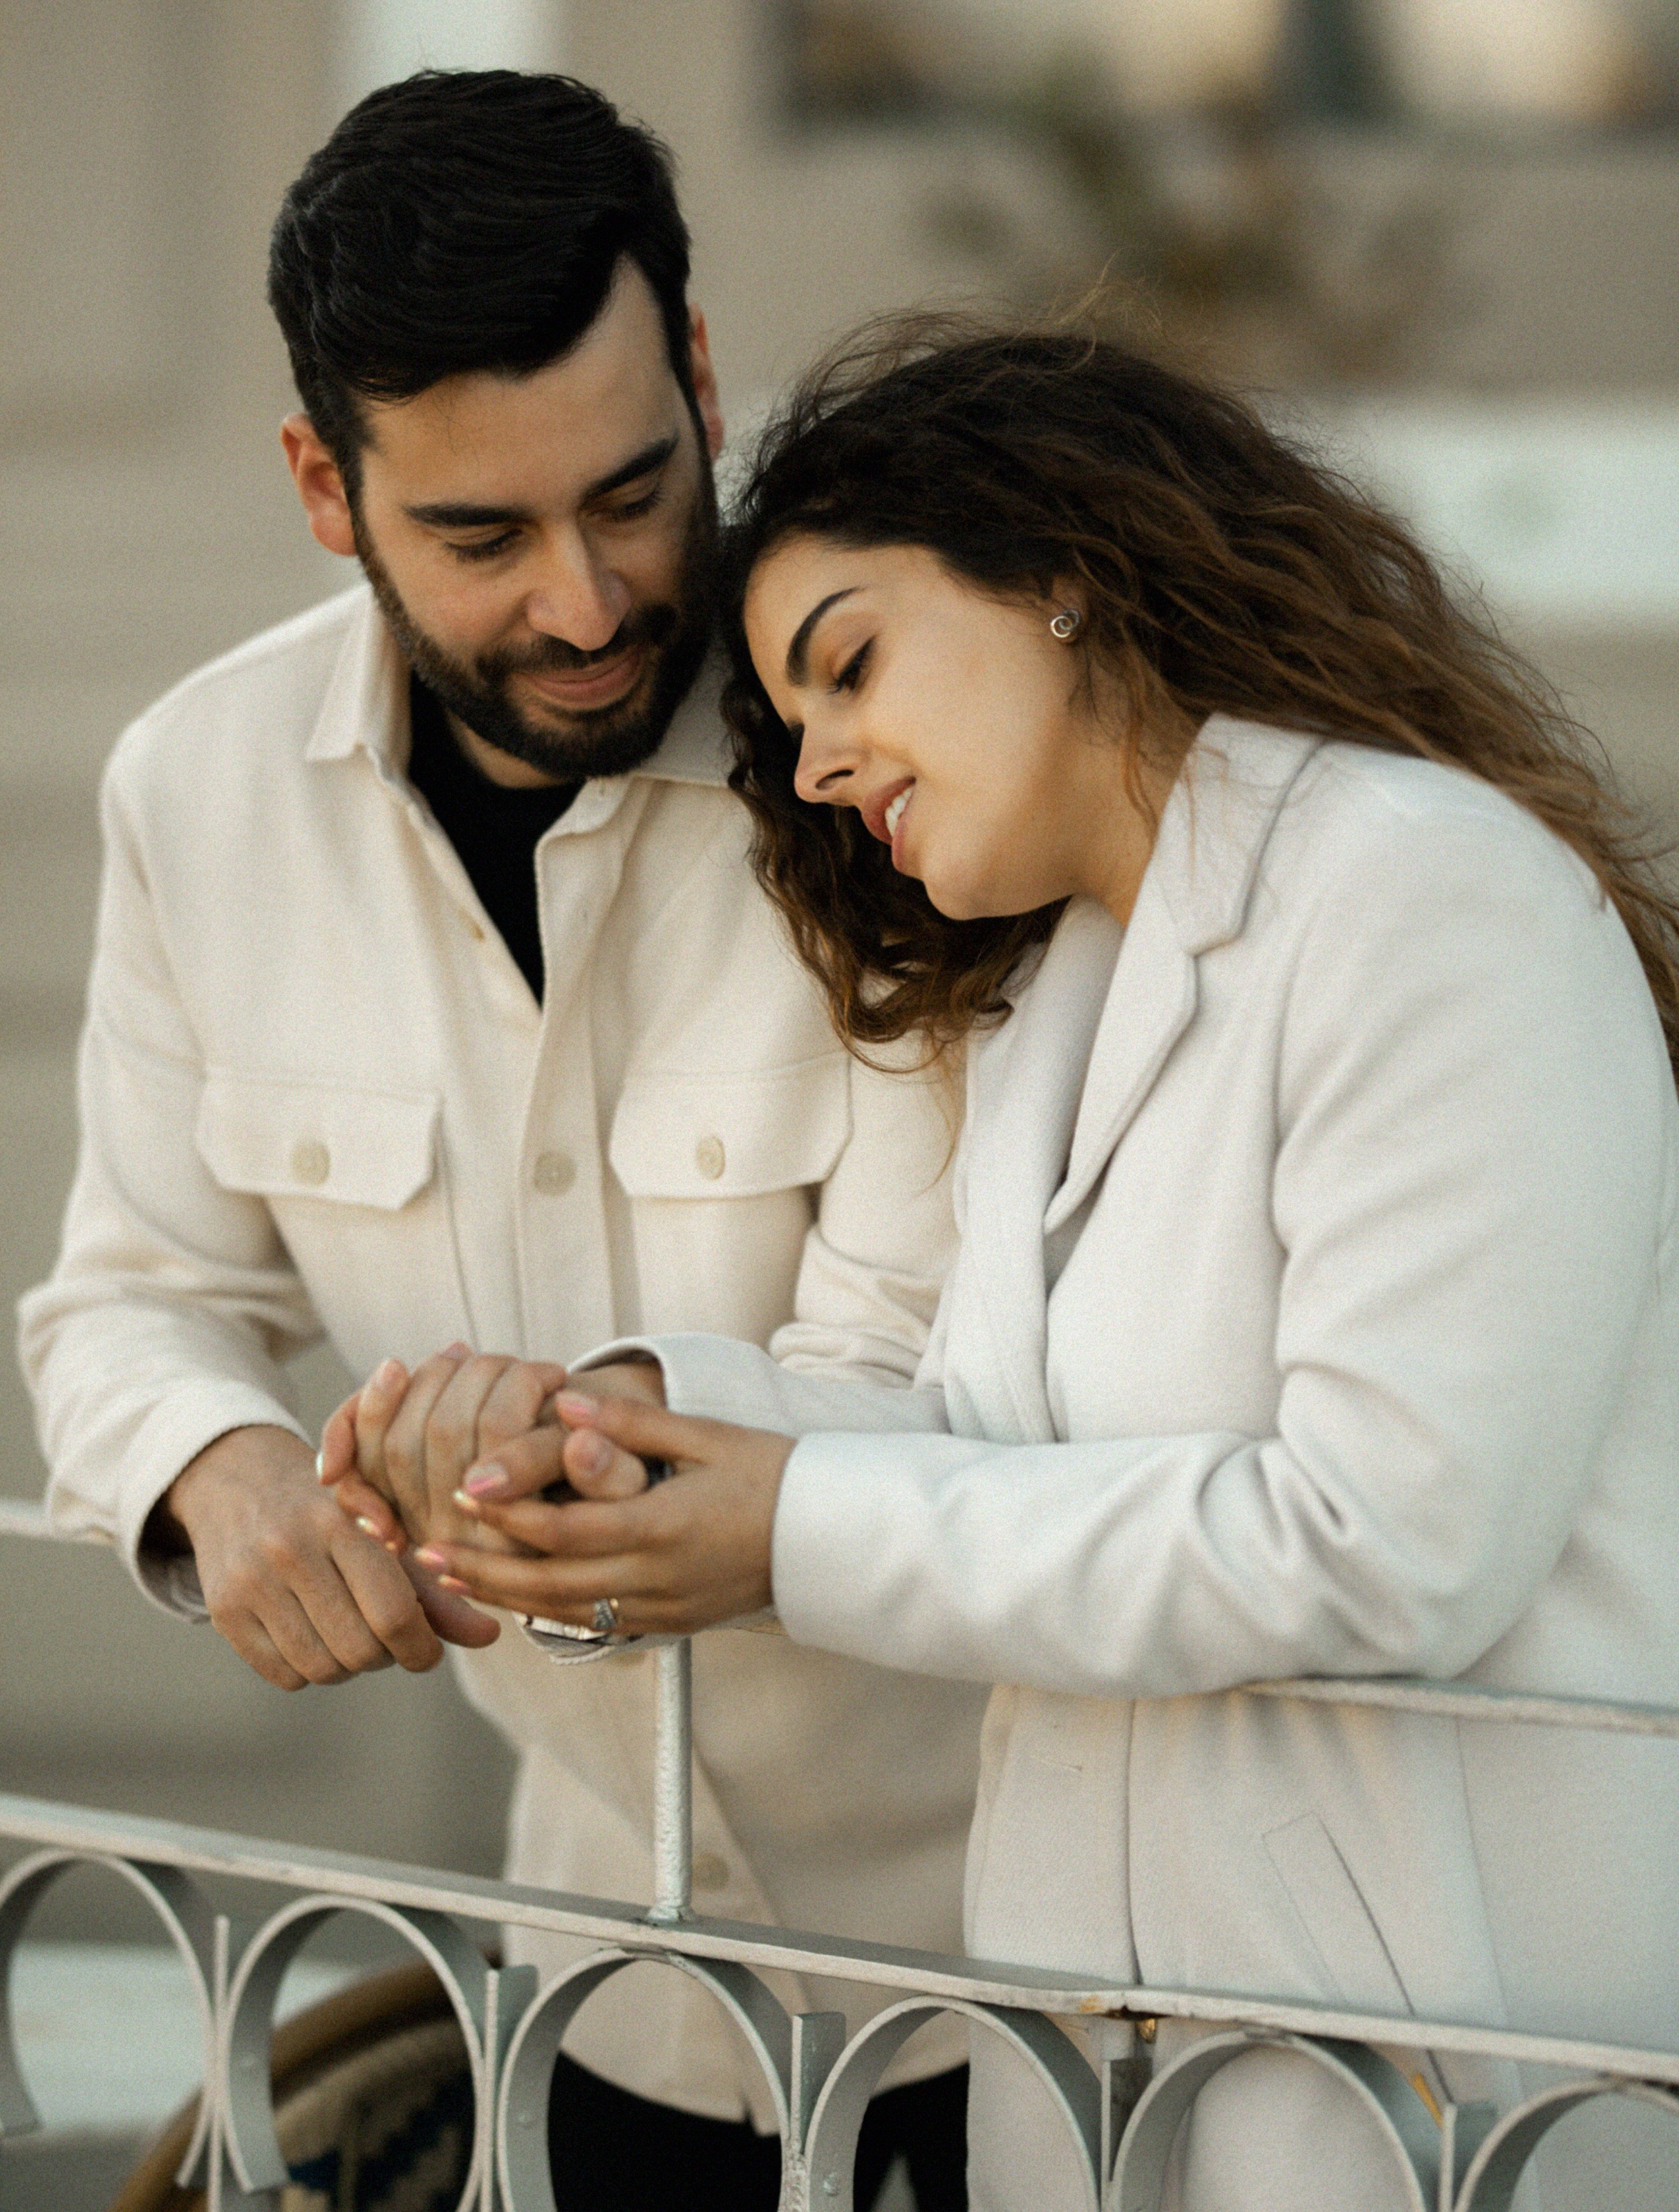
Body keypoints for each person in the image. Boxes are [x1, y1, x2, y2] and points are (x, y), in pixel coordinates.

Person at [380, 321, 1679, 2211]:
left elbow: (1393, 1544)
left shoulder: (1427, 892)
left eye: (850, 666)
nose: (818, 765)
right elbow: (974, 1434)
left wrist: (792, 1529)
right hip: (1105, 2089)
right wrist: (623, 1434)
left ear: (1062, 576)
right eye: (793, 724)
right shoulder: (1063, 991)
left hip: (1432, 2107)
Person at [16, 75, 986, 2212]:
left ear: (704, 376)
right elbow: (130, 1299)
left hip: (1026, 2003)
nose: (584, 601)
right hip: (606, 1990)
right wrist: (220, 1468)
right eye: (479, 535)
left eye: (637, 493)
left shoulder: (903, 751)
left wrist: (577, 1432)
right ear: (318, 484)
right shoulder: (195, 792)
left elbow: (947, 1357)